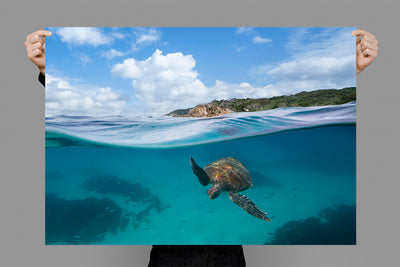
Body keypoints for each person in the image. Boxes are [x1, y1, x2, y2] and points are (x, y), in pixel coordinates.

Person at [25, 28, 378, 267]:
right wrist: (46, 75)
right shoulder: (207, 181)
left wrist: (360, 76)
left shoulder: (229, 191)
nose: (208, 189)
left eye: (209, 188)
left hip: (225, 255)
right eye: (210, 187)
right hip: (169, 255)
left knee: (238, 203)